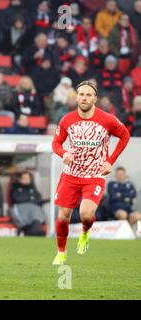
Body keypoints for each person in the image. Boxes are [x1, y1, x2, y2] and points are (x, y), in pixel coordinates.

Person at [52, 80, 130, 265]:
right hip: (71, 174)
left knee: (86, 214)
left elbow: (125, 135)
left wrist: (110, 160)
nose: (84, 98)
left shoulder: (107, 119)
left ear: (95, 98)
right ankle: (61, 252)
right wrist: (64, 153)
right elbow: (56, 143)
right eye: (81, 94)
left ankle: (85, 234)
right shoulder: (67, 119)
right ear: (76, 96)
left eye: (88, 95)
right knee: (63, 216)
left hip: (94, 175)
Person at [8, 171, 46, 236]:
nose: (26, 180)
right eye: (24, 178)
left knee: (37, 211)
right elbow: (17, 199)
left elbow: (38, 199)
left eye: (28, 178)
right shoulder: (16, 188)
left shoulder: (33, 189)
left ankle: (35, 227)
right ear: (20, 179)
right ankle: (28, 229)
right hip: (21, 208)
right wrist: (30, 199)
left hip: (34, 208)